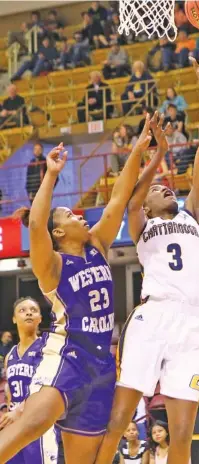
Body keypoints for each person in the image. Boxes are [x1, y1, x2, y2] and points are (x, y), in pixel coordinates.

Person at [95, 42, 199, 464]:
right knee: (118, 420)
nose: (164, 186)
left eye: (167, 183)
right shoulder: (141, 223)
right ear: (148, 203)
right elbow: (131, 199)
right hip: (152, 317)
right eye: (156, 189)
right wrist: (157, 158)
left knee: (183, 433)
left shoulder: (195, 215)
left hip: (193, 321)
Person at [0, 116, 153, 463]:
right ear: (59, 233)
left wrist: (138, 150)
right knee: (31, 424)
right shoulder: (51, 265)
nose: (81, 216)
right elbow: (37, 223)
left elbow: (118, 196)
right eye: (71, 215)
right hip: (68, 356)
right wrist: (51, 176)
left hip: (102, 367)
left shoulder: (98, 245)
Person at [0, 297, 63, 463]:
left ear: (40, 318)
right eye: (22, 310)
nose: (28, 312)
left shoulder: (47, 348)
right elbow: (10, 392)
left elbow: (49, 389)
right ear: (14, 319)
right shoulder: (10, 355)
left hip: (39, 422)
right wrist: (6, 412)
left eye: (33, 310)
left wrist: (20, 411)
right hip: (14, 426)